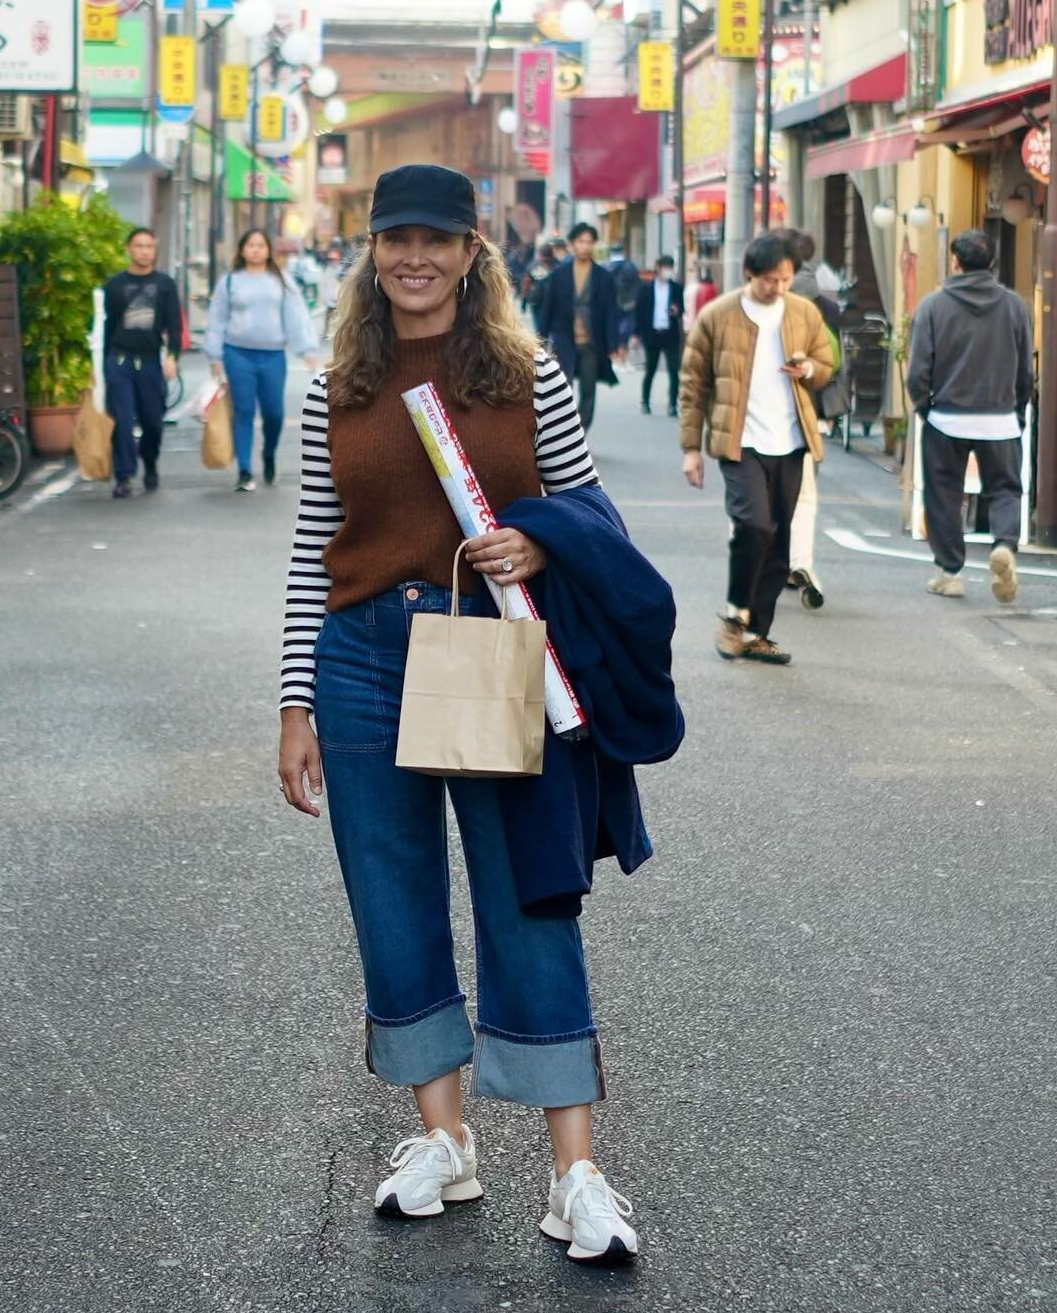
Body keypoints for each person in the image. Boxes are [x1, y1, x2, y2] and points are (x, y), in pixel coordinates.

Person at [277, 163, 651, 1264]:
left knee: (524, 893)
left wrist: (540, 542)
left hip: (486, 645)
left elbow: (596, 517)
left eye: (438, 240)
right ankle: (442, 1140)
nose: (416, 259)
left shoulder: (531, 377)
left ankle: (574, 1169)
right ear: (372, 248)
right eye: (396, 239)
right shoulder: (336, 386)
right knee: (390, 901)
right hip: (360, 658)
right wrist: (295, 698)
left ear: (475, 249)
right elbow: (313, 553)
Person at [680, 233, 833, 665]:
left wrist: (809, 369)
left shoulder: (803, 312)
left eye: (786, 279)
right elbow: (693, 385)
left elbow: (827, 364)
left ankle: (757, 632)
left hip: (791, 442)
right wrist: (691, 448)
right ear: (750, 273)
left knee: (780, 540)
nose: (779, 288)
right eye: (770, 280)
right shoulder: (718, 315)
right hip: (740, 440)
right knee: (754, 524)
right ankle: (733, 616)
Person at [906, 228, 1032, 603]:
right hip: (1001, 418)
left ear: (955, 262)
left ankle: (949, 573)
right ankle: (1005, 545)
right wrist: (1018, 410)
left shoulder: (933, 305)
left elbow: (918, 371)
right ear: (993, 263)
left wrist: (925, 406)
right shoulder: (1015, 306)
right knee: (1005, 489)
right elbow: (1026, 368)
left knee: (944, 494)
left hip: (946, 417)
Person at [206, 229, 317, 493]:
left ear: (268, 250)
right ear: (242, 250)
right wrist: (215, 357)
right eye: (250, 245)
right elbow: (217, 319)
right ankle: (245, 470)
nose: (255, 250)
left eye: (260, 245)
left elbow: (296, 316)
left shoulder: (281, 281)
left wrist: (306, 350)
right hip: (238, 354)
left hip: (273, 356)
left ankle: (269, 453)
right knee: (243, 411)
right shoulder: (230, 282)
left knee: (274, 413)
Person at [782, 230, 839, 610]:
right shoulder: (827, 305)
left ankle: (772, 564)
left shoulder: (755, 305)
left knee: (756, 505)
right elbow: (836, 363)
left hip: (758, 422)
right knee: (803, 496)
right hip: (810, 412)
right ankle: (799, 563)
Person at [102, 228, 182, 500]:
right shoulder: (114, 285)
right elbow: (107, 328)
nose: (144, 251)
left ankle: (149, 461)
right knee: (122, 421)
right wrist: (100, 366)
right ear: (128, 249)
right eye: (139, 246)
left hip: (150, 362)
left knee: (153, 422)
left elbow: (174, 324)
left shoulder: (165, 284)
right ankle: (123, 476)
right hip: (119, 360)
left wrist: (172, 356)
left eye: (149, 246)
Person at [536, 223, 623, 430]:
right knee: (562, 389)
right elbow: (548, 306)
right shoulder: (560, 274)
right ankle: (563, 430)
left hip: (591, 342)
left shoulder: (603, 276)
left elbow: (611, 311)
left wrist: (613, 343)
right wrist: (540, 338)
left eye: (589, 242)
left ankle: (581, 431)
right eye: (581, 242)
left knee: (588, 389)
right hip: (564, 338)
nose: (585, 246)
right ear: (573, 244)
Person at [635, 255, 683, 416]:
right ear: (658, 268)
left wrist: (677, 311)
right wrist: (636, 334)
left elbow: (681, 308)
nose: (667, 271)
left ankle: (672, 404)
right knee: (650, 369)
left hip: (670, 334)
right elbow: (639, 313)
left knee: (674, 370)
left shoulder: (676, 288)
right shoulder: (646, 288)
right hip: (652, 333)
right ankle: (645, 402)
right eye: (665, 268)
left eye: (670, 268)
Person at [607, 243, 642, 349]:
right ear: (623, 252)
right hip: (628, 303)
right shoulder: (630, 267)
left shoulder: (605, 267)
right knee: (626, 328)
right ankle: (623, 349)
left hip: (609, 305)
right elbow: (638, 286)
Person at [317, 245, 345, 341]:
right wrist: (323, 297)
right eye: (331, 260)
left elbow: (343, 286)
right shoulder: (328, 271)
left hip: (339, 299)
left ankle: (340, 333)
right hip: (330, 299)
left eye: (334, 259)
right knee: (328, 317)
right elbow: (324, 285)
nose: (333, 261)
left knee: (340, 317)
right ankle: (325, 332)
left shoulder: (341, 270)